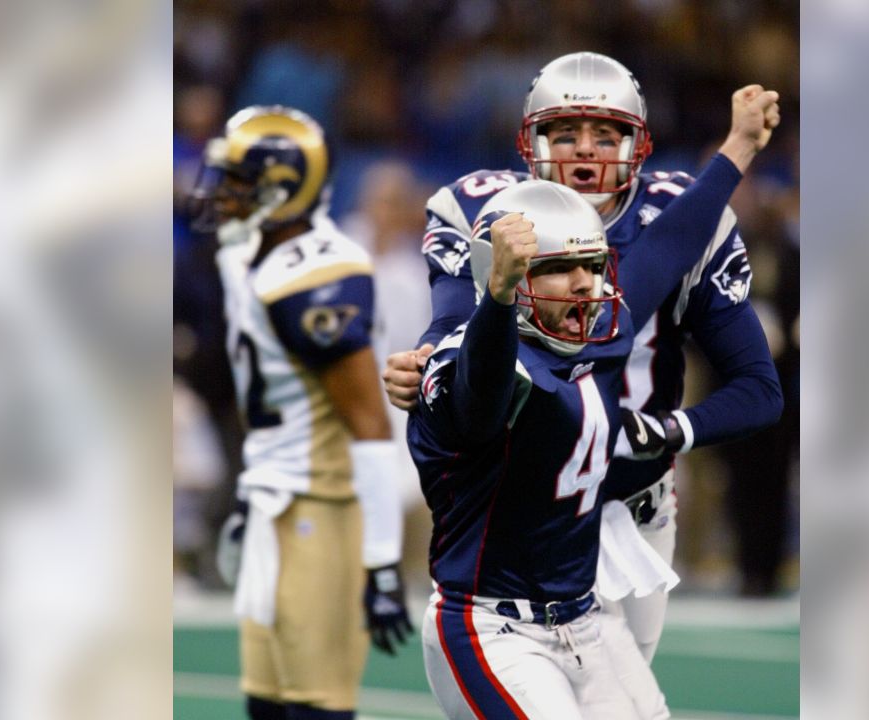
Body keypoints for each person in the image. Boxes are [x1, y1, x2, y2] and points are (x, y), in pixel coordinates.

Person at [384, 51, 784, 706]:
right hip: (515, 526)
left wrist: (659, 431)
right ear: (529, 140)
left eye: (606, 133)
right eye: (565, 132)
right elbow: (463, 328)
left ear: (638, 143)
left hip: (632, 506)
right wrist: (427, 362)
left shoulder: (626, 291)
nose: (585, 152)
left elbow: (752, 381)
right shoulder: (485, 217)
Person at [410, 171, 747, 719]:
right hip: (493, 627)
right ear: (501, 275)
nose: (584, 284)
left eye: (592, 265)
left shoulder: (604, 332)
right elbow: (480, 404)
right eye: (557, 269)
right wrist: (496, 301)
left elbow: (666, 247)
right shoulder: (465, 363)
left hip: (586, 618)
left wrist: (735, 154)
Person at [192, 105, 411, 720]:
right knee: (265, 705)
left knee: (317, 709)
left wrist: (383, 560)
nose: (220, 195)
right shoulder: (246, 254)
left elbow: (370, 426)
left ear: (281, 188)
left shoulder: (321, 273)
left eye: (237, 181)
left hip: (326, 507)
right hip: (272, 497)